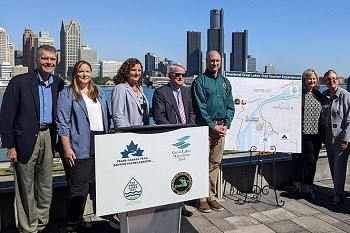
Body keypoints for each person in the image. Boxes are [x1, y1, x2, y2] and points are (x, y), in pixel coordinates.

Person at [0, 45, 64, 232]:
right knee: (25, 186)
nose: (49, 62)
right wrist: (10, 146)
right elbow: (6, 116)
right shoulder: (19, 82)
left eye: (52, 59)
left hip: (48, 136)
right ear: (37, 59)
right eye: (45, 59)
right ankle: (28, 228)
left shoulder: (58, 83)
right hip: (25, 140)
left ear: (56, 62)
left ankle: (42, 223)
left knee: (46, 184)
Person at [56, 61, 110, 231]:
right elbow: (62, 123)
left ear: (91, 73)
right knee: (78, 187)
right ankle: (72, 224)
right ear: (75, 74)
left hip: (99, 142)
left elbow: (106, 116)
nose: (84, 74)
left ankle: (78, 221)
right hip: (79, 144)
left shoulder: (98, 91)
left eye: (87, 71)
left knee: (87, 184)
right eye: (81, 71)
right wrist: (66, 148)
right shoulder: (67, 94)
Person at [191, 50, 235, 213]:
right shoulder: (200, 82)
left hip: (221, 129)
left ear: (221, 62)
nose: (214, 63)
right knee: (202, 163)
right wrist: (212, 125)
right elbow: (200, 107)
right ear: (206, 62)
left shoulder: (225, 82)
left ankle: (211, 196)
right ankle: (201, 198)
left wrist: (227, 124)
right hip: (204, 128)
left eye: (217, 61)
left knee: (214, 163)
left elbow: (230, 105)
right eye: (211, 61)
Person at [152, 63, 196, 217]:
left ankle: (181, 205)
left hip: (186, 139)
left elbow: (191, 111)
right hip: (169, 139)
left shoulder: (186, 92)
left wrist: (189, 127)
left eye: (183, 75)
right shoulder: (160, 92)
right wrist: (174, 132)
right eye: (177, 75)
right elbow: (159, 117)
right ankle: (167, 205)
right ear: (170, 75)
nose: (181, 78)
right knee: (168, 172)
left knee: (182, 172)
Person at [291, 69, 322, 200]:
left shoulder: (319, 95)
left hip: (314, 135)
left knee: (311, 161)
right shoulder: (298, 94)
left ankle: (309, 188)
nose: (312, 81)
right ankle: (297, 187)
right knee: (297, 161)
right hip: (299, 134)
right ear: (304, 80)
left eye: (314, 79)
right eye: (309, 78)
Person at [321, 69, 350, 205]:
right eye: (328, 79)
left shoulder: (346, 95)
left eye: (334, 78)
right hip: (328, 136)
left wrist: (346, 139)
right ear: (325, 82)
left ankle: (338, 194)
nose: (331, 81)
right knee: (333, 165)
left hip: (341, 137)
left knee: (340, 166)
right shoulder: (324, 95)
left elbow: (349, 120)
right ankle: (337, 189)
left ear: (338, 80)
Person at [111, 58, 149, 128]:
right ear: (126, 71)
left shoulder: (140, 88)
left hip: (142, 130)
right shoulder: (120, 88)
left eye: (139, 70)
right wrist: (124, 132)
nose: (137, 73)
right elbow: (117, 115)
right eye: (133, 70)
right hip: (129, 133)